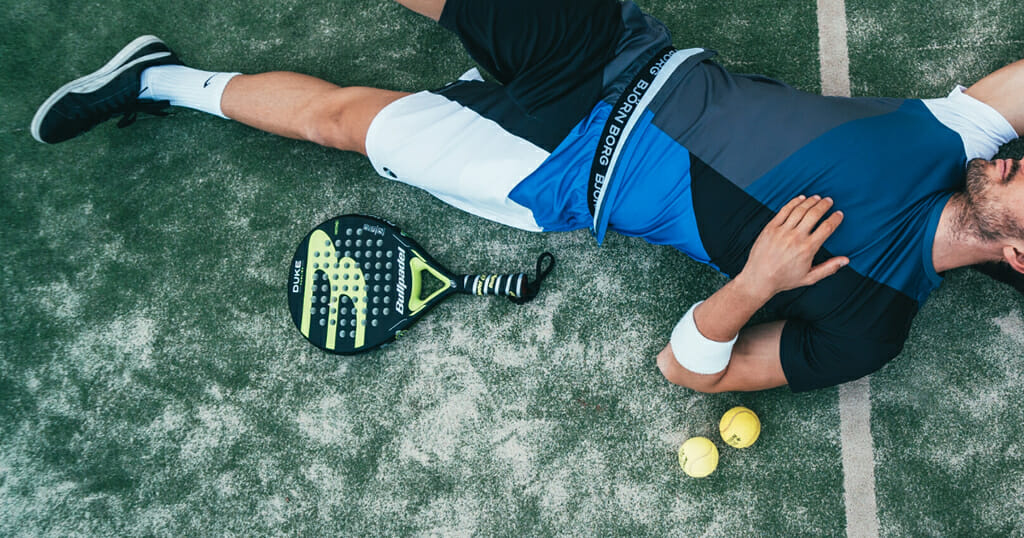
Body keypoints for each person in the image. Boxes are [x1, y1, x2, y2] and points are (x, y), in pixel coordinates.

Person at [31, 0, 1023, 393]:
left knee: (337, 121)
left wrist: (755, 280)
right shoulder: (963, 136)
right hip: (615, 55)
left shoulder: (872, 322)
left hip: (546, 176)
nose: (1021, 155)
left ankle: (154, 82)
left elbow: (690, 374)